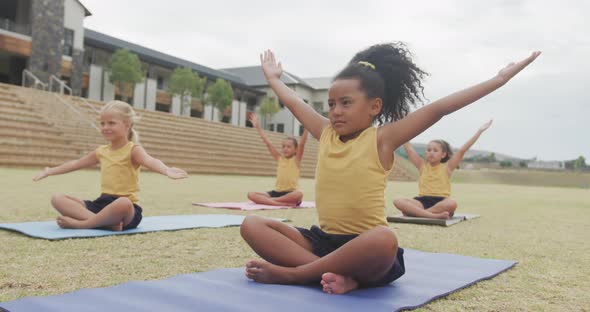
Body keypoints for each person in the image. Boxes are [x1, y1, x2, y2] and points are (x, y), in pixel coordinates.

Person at [240, 43, 540, 294]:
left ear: (374, 107)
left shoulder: (382, 139)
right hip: (321, 242)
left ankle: (297, 274)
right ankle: (333, 275)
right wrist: (274, 79)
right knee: (251, 225)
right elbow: (292, 101)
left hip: (364, 247)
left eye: (346, 103)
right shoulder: (326, 131)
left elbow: (439, 109)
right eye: (331, 104)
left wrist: (499, 79)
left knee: (385, 239)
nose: (336, 111)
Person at [33, 100, 188, 231]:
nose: (105, 127)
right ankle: (105, 224)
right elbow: (76, 163)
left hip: (125, 210)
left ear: (127, 125)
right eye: (102, 123)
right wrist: (49, 171)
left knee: (123, 202)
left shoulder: (133, 149)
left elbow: (151, 161)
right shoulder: (101, 151)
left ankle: (84, 224)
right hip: (101, 204)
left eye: (111, 123)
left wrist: (166, 170)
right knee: (58, 198)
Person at [393, 120, 493, 219]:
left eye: (435, 150)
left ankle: (418, 213)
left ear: (443, 154)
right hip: (421, 201)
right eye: (428, 150)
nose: (431, 152)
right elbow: (409, 149)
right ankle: (430, 215)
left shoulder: (447, 167)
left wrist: (479, 131)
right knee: (397, 200)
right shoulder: (422, 165)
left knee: (452, 204)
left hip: (441, 202)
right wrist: (401, 127)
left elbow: (462, 150)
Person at [247, 113, 308, 206]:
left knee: (299, 194)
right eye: (283, 146)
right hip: (276, 192)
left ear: (295, 149)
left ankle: (273, 201)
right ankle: (279, 203)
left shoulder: (296, 160)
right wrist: (258, 127)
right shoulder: (279, 158)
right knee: (251, 194)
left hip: (290, 193)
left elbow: (302, 144)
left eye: (288, 147)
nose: (285, 149)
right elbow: (268, 143)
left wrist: (307, 127)